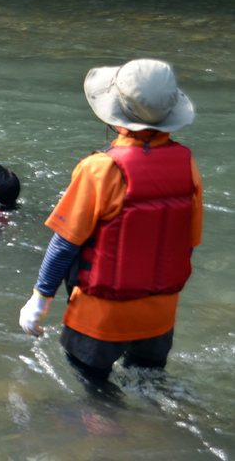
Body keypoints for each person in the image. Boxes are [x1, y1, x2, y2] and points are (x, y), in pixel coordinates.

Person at [18, 59, 202, 379]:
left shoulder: (100, 168)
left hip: (99, 317)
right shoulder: (187, 165)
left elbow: (64, 244)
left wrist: (39, 299)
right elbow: (187, 244)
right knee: (149, 384)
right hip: (160, 316)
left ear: (116, 114)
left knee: (94, 391)